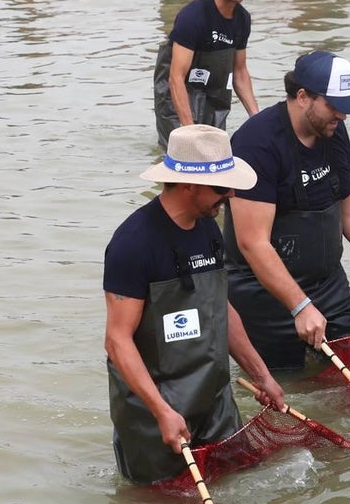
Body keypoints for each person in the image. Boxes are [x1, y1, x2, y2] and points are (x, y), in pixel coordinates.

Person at [104, 124, 285, 485]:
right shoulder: (133, 244)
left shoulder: (209, 230)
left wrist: (261, 375)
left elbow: (221, 309)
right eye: (221, 187)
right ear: (187, 183)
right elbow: (117, 341)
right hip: (154, 409)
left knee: (241, 483)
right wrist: (161, 412)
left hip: (213, 397)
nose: (230, 194)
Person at [224, 51, 350, 371]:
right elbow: (253, 242)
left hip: (329, 286)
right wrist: (299, 305)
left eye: (345, 108)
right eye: (334, 106)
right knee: (288, 389)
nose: (342, 116)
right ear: (303, 97)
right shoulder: (255, 143)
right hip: (265, 296)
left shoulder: (333, 132)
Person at [153, 0, 260, 148]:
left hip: (215, 93)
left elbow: (240, 72)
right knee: (184, 155)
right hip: (178, 94)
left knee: (214, 153)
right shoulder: (193, 16)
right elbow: (175, 77)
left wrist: (258, 119)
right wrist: (189, 130)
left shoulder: (243, 19)